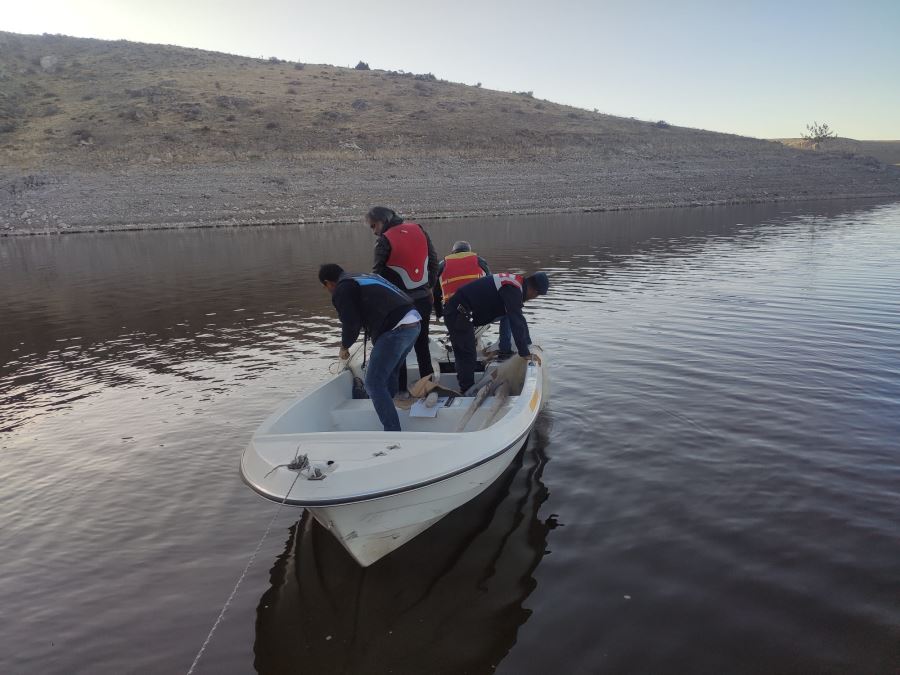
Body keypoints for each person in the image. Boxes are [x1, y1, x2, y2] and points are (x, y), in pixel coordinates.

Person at [319, 263, 420, 432]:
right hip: (414, 322)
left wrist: (344, 346)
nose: (328, 290)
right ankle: (392, 409)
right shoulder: (363, 277)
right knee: (389, 374)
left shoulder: (342, 289)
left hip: (396, 329)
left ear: (328, 283)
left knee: (373, 383)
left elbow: (351, 323)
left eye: (326, 287)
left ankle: (393, 431)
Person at [367, 206, 439, 395]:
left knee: (399, 349)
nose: (374, 231)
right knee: (422, 346)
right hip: (423, 300)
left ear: (382, 220)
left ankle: (400, 392)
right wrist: (428, 286)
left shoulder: (384, 240)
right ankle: (429, 389)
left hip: (399, 305)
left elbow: (377, 276)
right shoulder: (419, 229)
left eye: (374, 226)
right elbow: (433, 261)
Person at [443, 271, 550, 393]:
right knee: (467, 355)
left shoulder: (515, 283)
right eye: (535, 296)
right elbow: (516, 320)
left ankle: (467, 387)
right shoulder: (513, 289)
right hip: (457, 314)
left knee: (467, 353)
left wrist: (528, 346)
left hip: (461, 312)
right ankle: (467, 392)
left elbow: (520, 319)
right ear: (535, 292)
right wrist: (524, 353)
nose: (531, 299)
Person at [433, 240, 513, 357]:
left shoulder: (442, 265)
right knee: (508, 312)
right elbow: (492, 285)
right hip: (477, 313)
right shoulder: (479, 261)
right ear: (468, 251)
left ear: (453, 252)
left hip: (452, 315)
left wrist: (439, 313)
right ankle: (505, 350)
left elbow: (436, 293)